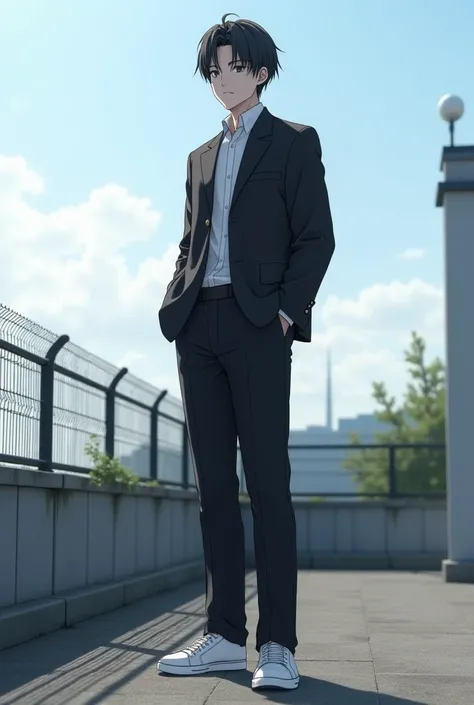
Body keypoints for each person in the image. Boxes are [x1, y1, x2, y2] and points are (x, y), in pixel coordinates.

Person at [157, 13, 334, 692]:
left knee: (268, 487)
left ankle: (278, 645)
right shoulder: (199, 156)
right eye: (213, 70)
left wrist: (288, 312)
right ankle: (225, 634)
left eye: (234, 66)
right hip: (198, 325)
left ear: (260, 71)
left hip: (261, 325)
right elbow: (190, 240)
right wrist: (178, 291)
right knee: (213, 495)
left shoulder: (293, 142)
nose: (222, 79)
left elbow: (316, 237)